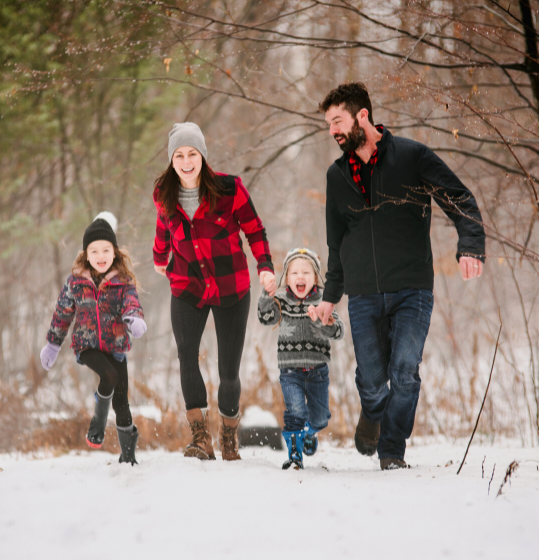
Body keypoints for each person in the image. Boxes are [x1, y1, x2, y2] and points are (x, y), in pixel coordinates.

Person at [312, 83, 485, 470]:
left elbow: (458, 197)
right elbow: (335, 241)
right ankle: (372, 410)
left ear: (362, 116)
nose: (332, 131)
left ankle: (392, 451)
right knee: (373, 381)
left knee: (405, 372)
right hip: (364, 294)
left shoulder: (411, 156)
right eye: (328, 124)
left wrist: (471, 244)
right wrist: (329, 295)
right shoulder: (336, 176)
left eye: (337, 121)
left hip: (412, 288)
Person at [153, 122, 276, 461]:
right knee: (186, 355)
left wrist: (264, 266)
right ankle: (200, 438)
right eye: (179, 155)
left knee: (228, 370)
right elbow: (164, 227)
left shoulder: (229, 189)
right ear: (171, 159)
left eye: (192, 153)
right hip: (187, 285)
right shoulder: (163, 192)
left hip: (230, 286)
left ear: (203, 156)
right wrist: (159, 258)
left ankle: (228, 434)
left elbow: (255, 230)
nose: (186, 161)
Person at [39, 212, 147, 465]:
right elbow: (63, 313)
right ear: (86, 254)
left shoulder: (123, 281)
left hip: (116, 346)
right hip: (87, 345)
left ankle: (128, 459)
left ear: (115, 252)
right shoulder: (76, 281)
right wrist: (53, 344)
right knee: (109, 376)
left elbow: (132, 302)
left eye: (106, 250)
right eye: (95, 251)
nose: (101, 257)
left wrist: (134, 318)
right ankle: (97, 423)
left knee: (122, 404)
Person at [258, 248, 344, 470]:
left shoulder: (324, 300)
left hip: (318, 371)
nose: (300, 277)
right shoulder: (282, 300)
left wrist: (322, 321)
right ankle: (295, 455)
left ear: (316, 277)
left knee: (320, 418)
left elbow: (338, 332)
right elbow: (266, 318)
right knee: (295, 412)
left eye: (306, 272)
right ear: (286, 278)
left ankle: (310, 433)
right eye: (294, 273)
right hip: (290, 371)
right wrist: (267, 295)